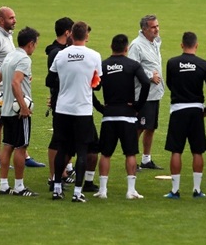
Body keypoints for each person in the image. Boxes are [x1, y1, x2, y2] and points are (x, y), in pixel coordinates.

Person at [0, 6, 44, 168]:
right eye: (11, 18)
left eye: (14, 17)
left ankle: (24, 155)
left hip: (7, 86)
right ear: (1, 20)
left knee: (10, 121)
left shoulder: (8, 36)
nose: (14, 20)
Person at [93, 34, 150, 199]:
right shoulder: (133, 65)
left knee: (105, 154)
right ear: (126, 48)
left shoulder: (103, 65)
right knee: (130, 153)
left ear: (111, 47)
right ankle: (131, 190)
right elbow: (146, 83)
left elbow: (91, 87)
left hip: (109, 116)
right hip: (128, 116)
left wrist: (100, 108)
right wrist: (138, 106)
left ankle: (103, 190)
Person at [49, 21, 102, 203]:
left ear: (71, 34)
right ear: (86, 35)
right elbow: (97, 83)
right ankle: (77, 192)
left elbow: (51, 78)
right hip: (82, 110)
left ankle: (57, 188)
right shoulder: (94, 56)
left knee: (62, 148)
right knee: (81, 150)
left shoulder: (61, 55)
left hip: (63, 108)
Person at [163, 32, 206, 199]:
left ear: (181, 45)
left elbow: (170, 84)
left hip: (178, 110)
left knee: (176, 150)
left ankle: (175, 190)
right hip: (196, 110)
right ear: (197, 45)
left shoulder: (172, 63)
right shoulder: (203, 64)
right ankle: (196, 189)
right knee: (197, 151)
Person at [0, 27, 40, 197]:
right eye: (36, 44)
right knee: (21, 147)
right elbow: (15, 83)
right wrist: (24, 107)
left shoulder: (9, 56)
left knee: (7, 147)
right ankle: (19, 187)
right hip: (19, 112)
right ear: (31, 44)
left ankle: (3, 185)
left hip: (5, 111)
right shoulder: (24, 59)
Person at [128, 14, 164, 170]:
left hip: (155, 93)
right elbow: (132, 67)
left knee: (151, 127)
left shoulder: (155, 42)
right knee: (139, 128)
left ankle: (146, 159)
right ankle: (131, 159)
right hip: (143, 94)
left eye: (157, 26)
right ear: (144, 29)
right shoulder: (136, 45)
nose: (156, 29)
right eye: (153, 27)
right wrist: (150, 76)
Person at [44, 17, 76, 190]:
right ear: (67, 32)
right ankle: (53, 176)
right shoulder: (56, 53)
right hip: (61, 101)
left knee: (66, 137)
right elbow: (54, 80)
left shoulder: (60, 50)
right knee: (58, 138)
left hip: (64, 99)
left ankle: (63, 172)